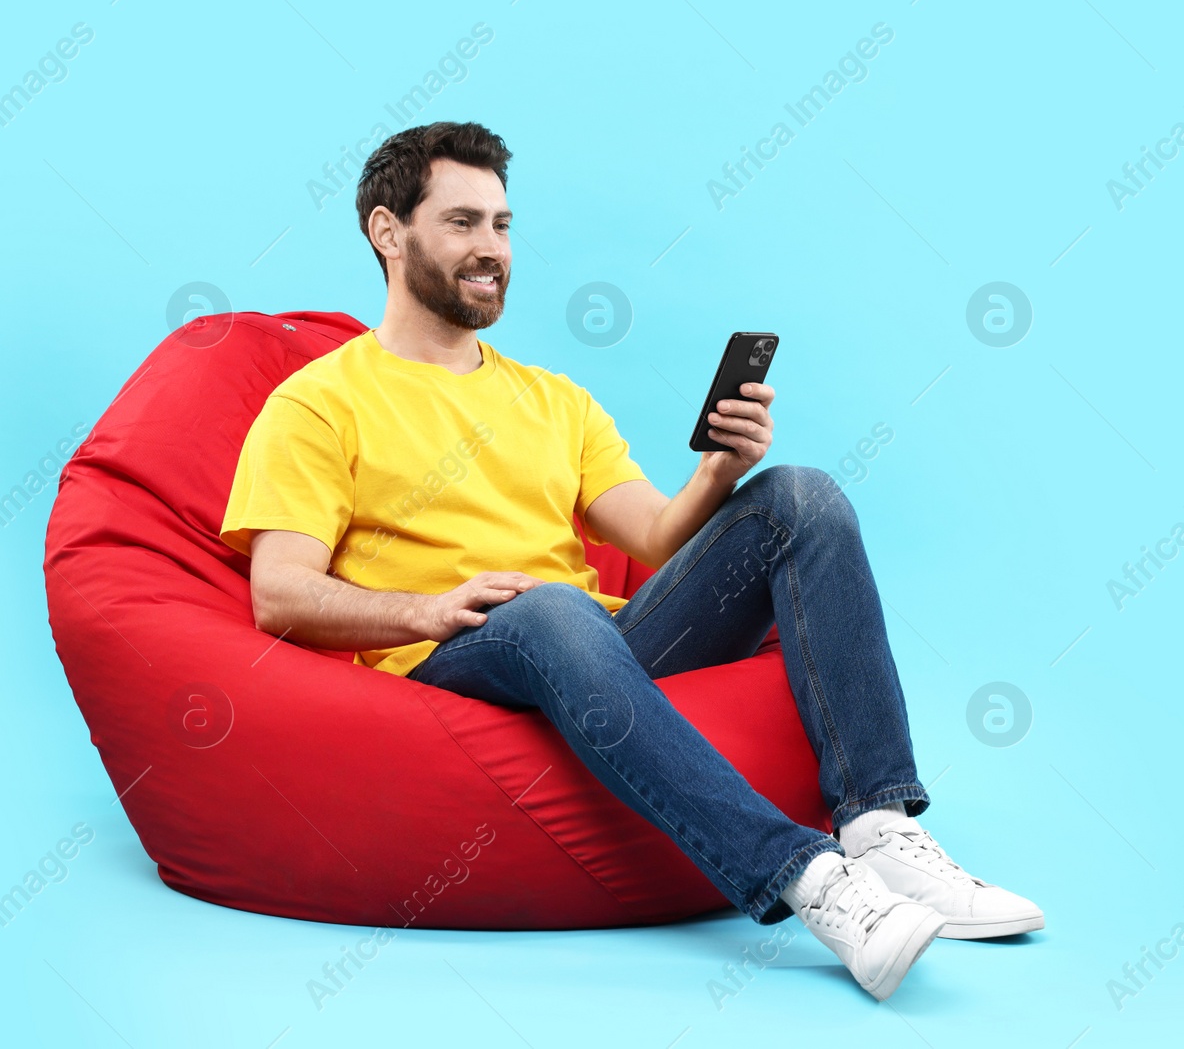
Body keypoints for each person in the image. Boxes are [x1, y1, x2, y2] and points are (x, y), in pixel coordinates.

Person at [219, 121, 1042, 1001]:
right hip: (451, 655)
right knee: (551, 607)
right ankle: (810, 879)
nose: (492, 249)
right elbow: (279, 594)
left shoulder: (553, 398)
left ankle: (880, 826)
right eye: (462, 222)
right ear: (389, 233)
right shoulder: (318, 402)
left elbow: (653, 538)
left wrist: (721, 471)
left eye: (502, 225)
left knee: (801, 496)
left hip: (588, 647)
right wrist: (427, 607)